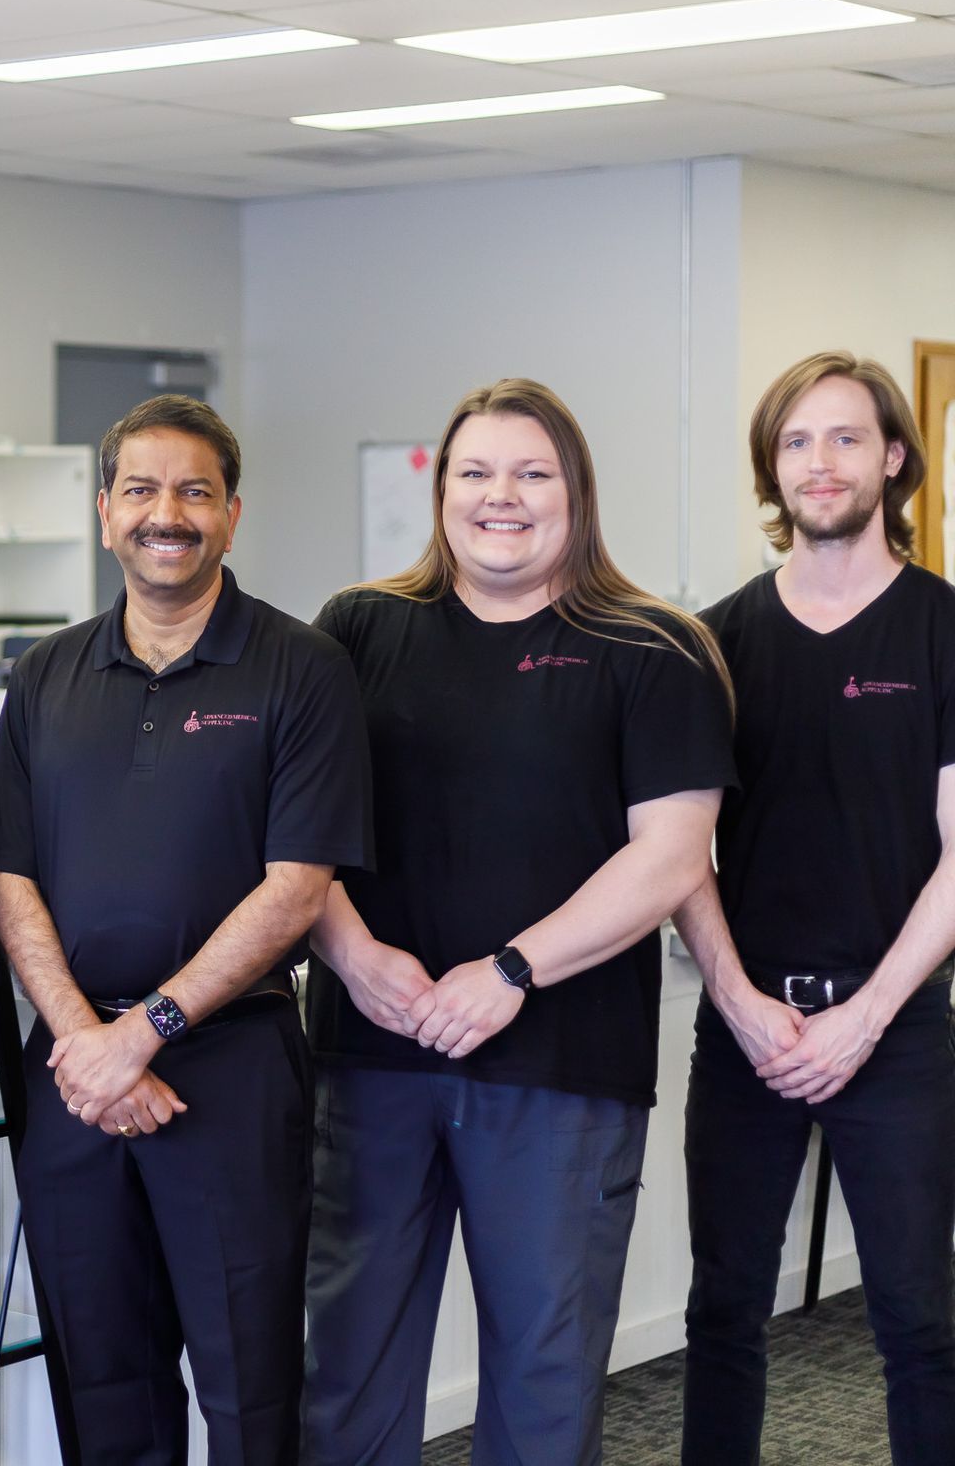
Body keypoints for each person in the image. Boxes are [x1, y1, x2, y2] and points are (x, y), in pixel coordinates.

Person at [302, 379, 734, 1466]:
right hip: (374, 1057)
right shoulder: (357, 629)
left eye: (533, 473)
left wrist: (509, 972)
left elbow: (672, 854)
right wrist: (354, 956)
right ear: (441, 490)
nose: (502, 496)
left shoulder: (653, 646)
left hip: (558, 1068)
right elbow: (294, 832)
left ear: (575, 492)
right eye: (476, 472)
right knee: (345, 1376)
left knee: (543, 1384)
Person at [0, 394, 372, 1466]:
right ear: (106, 511)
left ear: (232, 517)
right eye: (142, 490)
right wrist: (88, 1042)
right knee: (102, 1381)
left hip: (231, 1070)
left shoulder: (302, 668)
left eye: (196, 492)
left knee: (249, 1389)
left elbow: (296, 886)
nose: (168, 513)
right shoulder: (47, 674)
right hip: (74, 1079)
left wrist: (143, 1032)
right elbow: (9, 877)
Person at [677, 352, 955, 1465]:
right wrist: (739, 1002)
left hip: (896, 1030)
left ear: (893, 459)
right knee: (721, 1314)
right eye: (795, 441)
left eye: (845, 437)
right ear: (771, 467)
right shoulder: (711, 643)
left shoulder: (943, 628)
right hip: (744, 1028)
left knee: (918, 1326)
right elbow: (677, 855)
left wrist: (867, 1015)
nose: (820, 462)